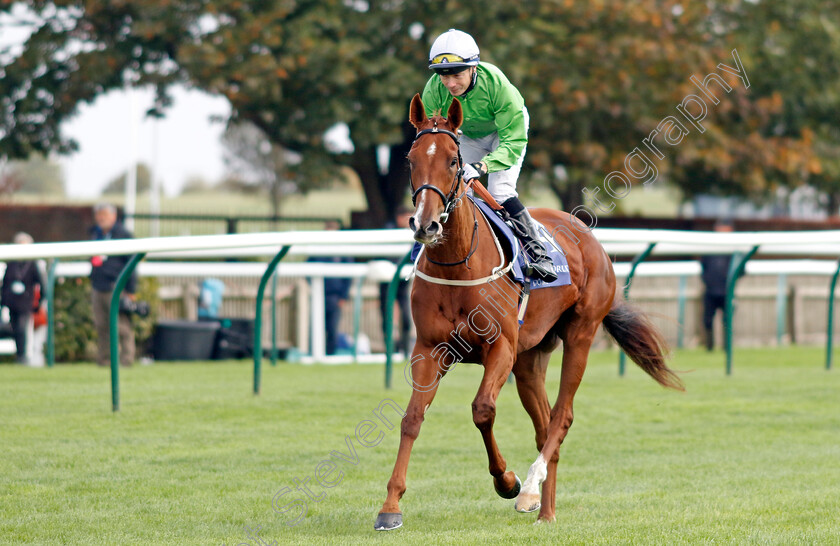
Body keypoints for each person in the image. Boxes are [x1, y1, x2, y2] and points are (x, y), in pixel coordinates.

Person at [421, 28, 557, 283]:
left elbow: (513, 141)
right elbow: (436, 137)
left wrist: (483, 165)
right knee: (455, 192)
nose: (450, 84)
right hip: (467, 135)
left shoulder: (498, 86)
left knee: (500, 190)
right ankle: (428, 248)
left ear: (474, 68)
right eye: (443, 76)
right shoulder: (433, 91)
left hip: (503, 133)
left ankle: (539, 254)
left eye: (457, 75)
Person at [89, 203, 137, 367]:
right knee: (101, 325)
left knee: (121, 326)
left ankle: (127, 359)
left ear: (114, 216)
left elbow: (132, 263)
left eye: (105, 215)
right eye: (99, 215)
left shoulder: (123, 234)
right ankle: (104, 360)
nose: (101, 218)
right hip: (98, 286)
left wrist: (130, 289)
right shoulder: (96, 233)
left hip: (117, 287)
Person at [307, 220, 352, 355]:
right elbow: (308, 268)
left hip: (335, 296)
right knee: (316, 327)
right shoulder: (317, 250)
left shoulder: (343, 251)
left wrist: (343, 296)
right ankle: (315, 353)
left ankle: (330, 354)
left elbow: (348, 275)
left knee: (332, 328)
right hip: (319, 294)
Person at [0, 232, 44, 364]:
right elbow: (6, 282)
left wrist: (39, 302)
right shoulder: (12, 263)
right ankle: (19, 355)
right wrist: (3, 301)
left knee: (22, 329)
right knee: (14, 328)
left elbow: (41, 284)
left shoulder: (32, 264)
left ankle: (22, 356)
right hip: (12, 301)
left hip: (26, 301)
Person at [378, 207, 413, 354]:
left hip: (403, 282)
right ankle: (390, 349)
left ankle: (404, 348)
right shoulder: (388, 231)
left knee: (406, 317)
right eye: (405, 217)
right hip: (388, 281)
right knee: (387, 316)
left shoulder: (413, 231)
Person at [700, 219, 735, 351]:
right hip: (710, 290)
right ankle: (709, 347)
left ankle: (727, 348)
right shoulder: (710, 248)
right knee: (707, 321)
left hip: (728, 291)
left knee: (727, 322)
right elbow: (704, 267)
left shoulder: (734, 248)